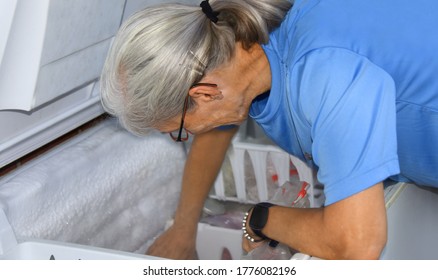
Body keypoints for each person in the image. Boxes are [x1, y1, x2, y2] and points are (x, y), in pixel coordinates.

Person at [100, 0, 438, 260]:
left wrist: (262, 218)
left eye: (180, 131)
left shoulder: (320, 69)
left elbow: (357, 243)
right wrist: (185, 225)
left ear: (202, 94)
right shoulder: (259, 58)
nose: (190, 138)